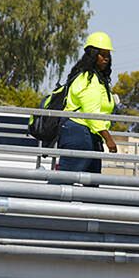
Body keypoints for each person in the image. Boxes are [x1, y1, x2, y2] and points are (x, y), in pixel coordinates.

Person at [56, 31, 118, 174]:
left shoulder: (98, 80)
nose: (106, 58)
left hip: (89, 134)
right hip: (78, 132)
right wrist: (108, 139)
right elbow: (92, 113)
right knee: (64, 182)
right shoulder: (87, 80)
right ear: (92, 54)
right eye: (102, 54)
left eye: (108, 55)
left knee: (92, 184)